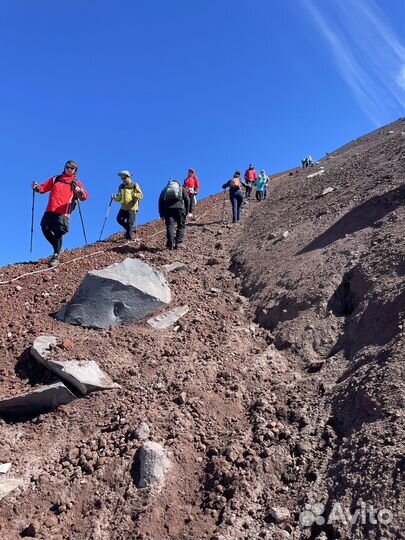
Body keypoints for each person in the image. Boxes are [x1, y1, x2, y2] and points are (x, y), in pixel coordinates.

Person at [32, 160, 88, 267]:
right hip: (50, 208)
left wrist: (80, 192)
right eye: (67, 167)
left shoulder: (76, 182)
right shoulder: (55, 179)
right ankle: (57, 248)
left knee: (58, 231)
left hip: (63, 211)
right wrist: (36, 187)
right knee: (44, 227)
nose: (69, 169)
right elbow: (43, 188)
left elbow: (84, 197)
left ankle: (56, 256)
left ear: (75, 170)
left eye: (72, 168)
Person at [158, 179, 190, 250]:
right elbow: (187, 199)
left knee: (170, 226)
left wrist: (161, 214)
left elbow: (160, 202)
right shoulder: (181, 188)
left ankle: (170, 244)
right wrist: (187, 211)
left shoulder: (164, 190)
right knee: (181, 225)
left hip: (168, 210)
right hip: (179, 208)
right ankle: (178, 243)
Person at [112, 170, 143, 240]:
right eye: (121, 178)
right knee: (119, 219)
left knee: (130, 222)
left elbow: (141, 195)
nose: (122, 180)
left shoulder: (134, 185)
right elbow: (119, 198)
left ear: (128, 177)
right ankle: (130, 231)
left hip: (132, 207)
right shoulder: (121, 186)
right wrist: (114, 198)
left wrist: (135, 195)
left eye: (124, 178)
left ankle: (130, 238)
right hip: (123, 207)